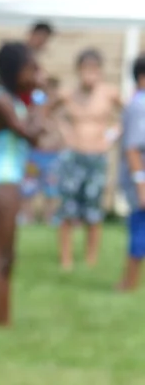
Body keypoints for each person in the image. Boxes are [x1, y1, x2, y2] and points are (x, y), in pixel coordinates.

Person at [0, 42, 48, 326]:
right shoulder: (1, 100)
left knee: (7, 255)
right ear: (14, 69)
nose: (35, 73)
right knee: (0, 255)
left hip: (5, 178)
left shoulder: (8, 98)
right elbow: (31, 134)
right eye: (31, 68)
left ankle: (1, 321)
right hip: (1, 179)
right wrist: (40, 98)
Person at [55, 48, 123, 270]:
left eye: (94, 70)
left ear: (100, 71)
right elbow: (51, 112)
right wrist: (64, 133)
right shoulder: (68, 94)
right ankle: (66, 259)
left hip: (97, 155)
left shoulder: (109, 93)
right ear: (78, 70)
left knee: (94, 209)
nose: (90, 75)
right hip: (74, 155)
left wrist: (110, 137)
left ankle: (91, 259)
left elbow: (127, 116)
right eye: (86, 70)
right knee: (68, 208)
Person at [119, 54, 145, 293]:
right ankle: (128, 282)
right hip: (141, 180)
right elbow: (133, 148)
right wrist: (141, 184)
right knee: (140, 228)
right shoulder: (140, 105)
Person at [24, 75, 66, 225]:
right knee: (28, 189)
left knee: (51, 189)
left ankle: (50, 219)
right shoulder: (35, 106)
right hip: (35, 154)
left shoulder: (60, 111)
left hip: (53, 155)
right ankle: (27, 218)